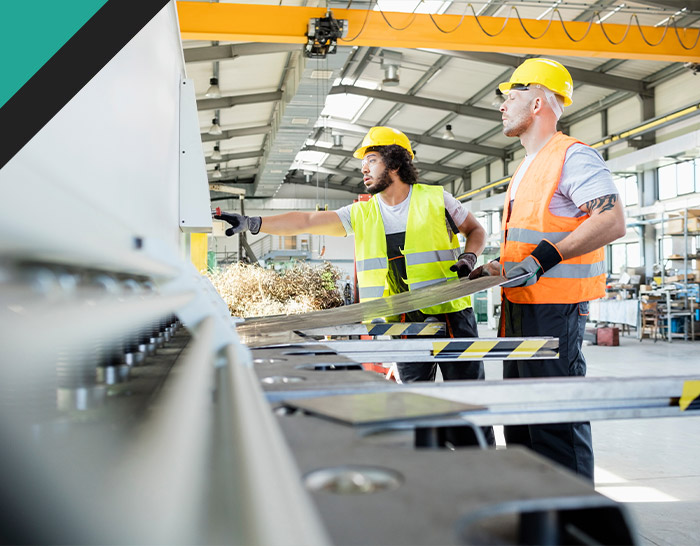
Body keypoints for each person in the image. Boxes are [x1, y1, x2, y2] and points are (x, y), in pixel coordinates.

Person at [215, 126, 494, 446]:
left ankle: (480, 462)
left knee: (468, 401)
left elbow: (476, 230)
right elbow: (306, 222)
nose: (363, 168)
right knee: (416, 404)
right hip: (401, 322)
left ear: (395, 163)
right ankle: (433, 466)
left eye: (371, 159)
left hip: (450, 315)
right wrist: (254, 223)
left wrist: (469, 257)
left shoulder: (436, 198)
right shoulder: (362, 213)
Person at [470, 58, 626, 479]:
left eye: (511, 97)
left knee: (556, 422)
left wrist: (544, 258)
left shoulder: (572, 156)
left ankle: (574, 525)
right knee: (521, 423)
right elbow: (528, 242)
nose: (502, 106)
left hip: (554, 312)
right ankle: (536, 516)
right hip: (519, 308)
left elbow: (611, 220)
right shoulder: (524, 167)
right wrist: (498, 267)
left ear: (538, 101)